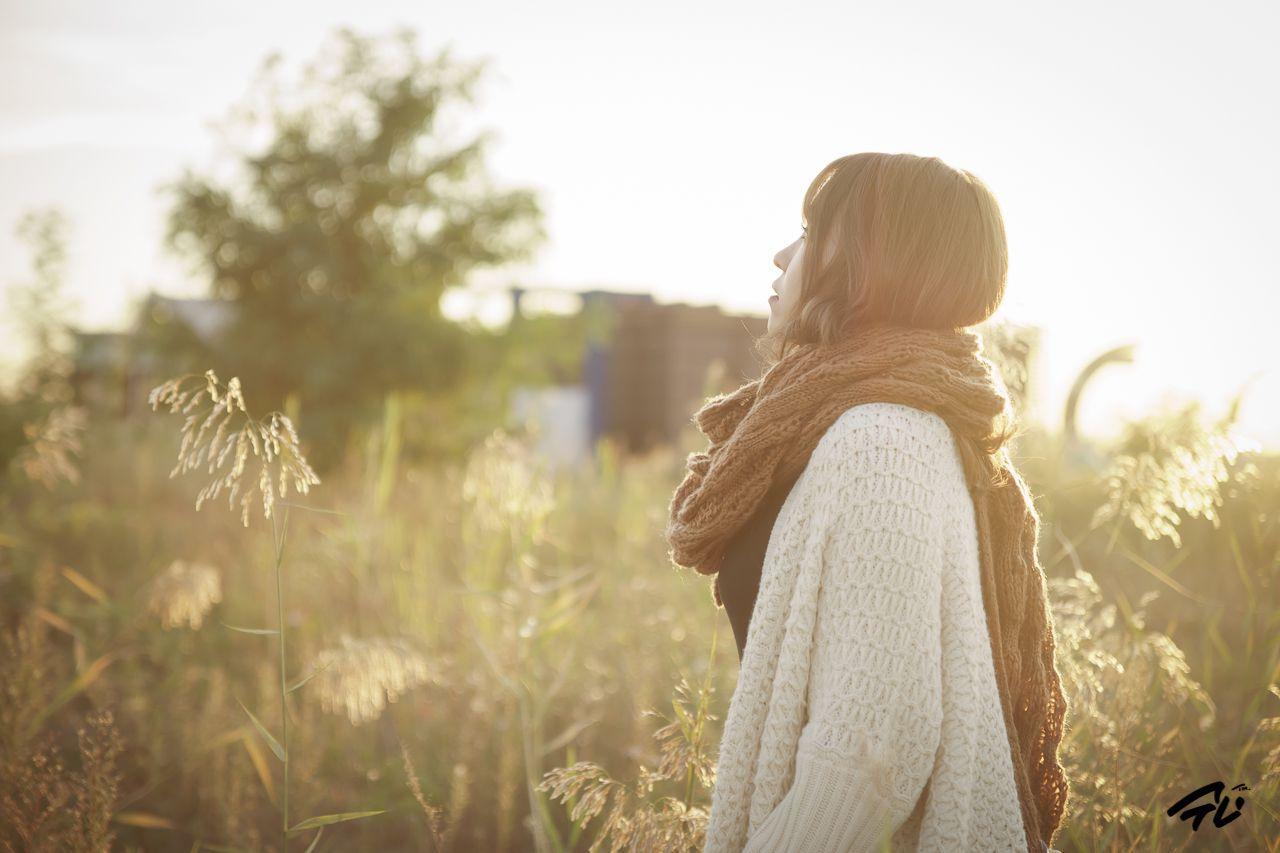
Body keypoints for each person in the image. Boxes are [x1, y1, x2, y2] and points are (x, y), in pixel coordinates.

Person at [666, 153, 1070, 852]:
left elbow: (870, 758)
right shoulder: (862, 418)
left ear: (866, 261)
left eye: (807, 232)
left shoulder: (883, 442)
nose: (780, 254)